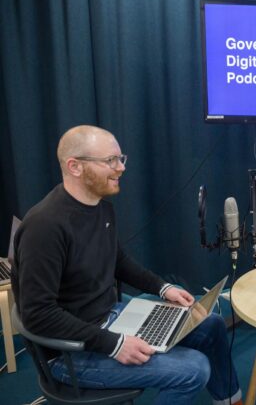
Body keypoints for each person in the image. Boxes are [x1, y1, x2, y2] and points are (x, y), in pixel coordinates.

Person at [11, 125, 243, 405]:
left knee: (211, 324)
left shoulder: (100, 206)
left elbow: (117, 260)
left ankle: (231, 401)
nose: (121, 168)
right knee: (193, 370)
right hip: (71, 352)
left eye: (122, 159)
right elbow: (38, 314)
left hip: (111, 317)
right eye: (110, 160)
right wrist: (114, 344)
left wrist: (163, 287)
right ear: (74, 167)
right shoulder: (44, 227)